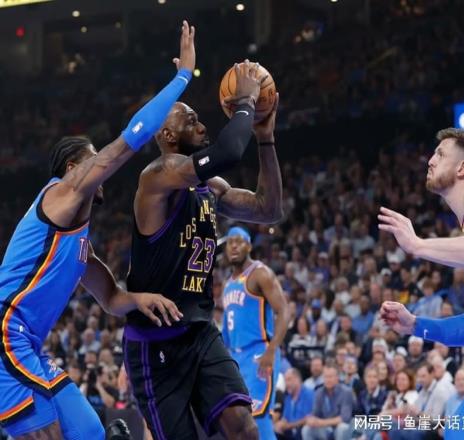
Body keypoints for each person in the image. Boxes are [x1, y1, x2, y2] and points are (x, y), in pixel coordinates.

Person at [0, 20, 195, 439]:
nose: (100, 169)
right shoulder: (60, 194)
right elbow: (128, 142)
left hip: (28, 344)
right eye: (92, 160)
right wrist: (182, 76)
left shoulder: (78, 241)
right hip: (5, 334)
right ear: (74, 168)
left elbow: (110, 299)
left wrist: (141, 299)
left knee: (91, 430)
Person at [123, 59, 283, 439]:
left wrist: (265, 138)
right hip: (156, 345)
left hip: (200, 332)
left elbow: (269, 210)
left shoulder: (210, 187)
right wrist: (245, 102)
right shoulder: (157, 177)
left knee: (244, 427)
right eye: (191, 121)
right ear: (167, 135)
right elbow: (228, 151)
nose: (202, 126)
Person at [378, 128, 464, 438]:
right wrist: (415, 325)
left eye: (440, 154)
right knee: (463, 429)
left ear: (463, 168)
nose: (430, 160)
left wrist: (417, 245)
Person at [222, 226, 289, 439]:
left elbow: (284, 311)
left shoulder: (260, 273)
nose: (234, 246)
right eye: (230, 242)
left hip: (259, 353)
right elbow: (226, 332)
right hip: (236, 358)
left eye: (239, 241)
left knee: (258, 415)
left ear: (249, 246)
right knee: (238, 420)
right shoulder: (228, 284)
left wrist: (271, 350)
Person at [302, 364, 353, 440]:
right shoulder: (319, 392)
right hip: (325, 429)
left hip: (339, 427)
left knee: (342, 428)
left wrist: (322, 422)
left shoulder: (346, 392)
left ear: (337, 377)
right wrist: (311, 419)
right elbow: (315, 414)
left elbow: (344, 418)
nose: (328, 380)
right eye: (325, 377)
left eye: (330, 377)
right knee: (306, 429)